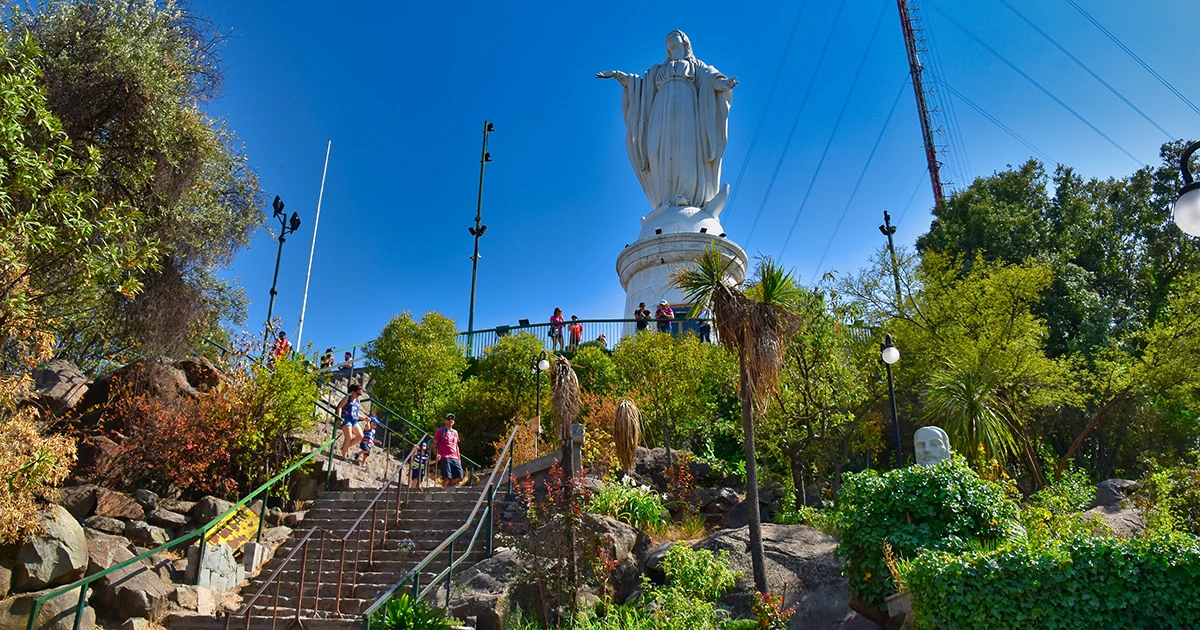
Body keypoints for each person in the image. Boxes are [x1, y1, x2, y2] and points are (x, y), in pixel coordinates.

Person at [336, 384, 367, 459]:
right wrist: (339, 418)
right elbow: (340, 407)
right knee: (349, 437)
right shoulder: (347, 398)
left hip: (354, 420)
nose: (358, 396)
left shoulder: (357, 401)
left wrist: (364, 418)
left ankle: (344, 447)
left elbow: (355, 413)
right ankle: (344, 456)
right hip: (346, 419)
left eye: (360, 394)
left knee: (360, 436)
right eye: (358, 394)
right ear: (353, 391)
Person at [433, 413, 463, 487]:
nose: (451, 420)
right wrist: (436, 454)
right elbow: (433, 443)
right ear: (445, 421)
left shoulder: (455, 432)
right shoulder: (441, 430)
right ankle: (443, 492)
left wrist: (459, 458)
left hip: (455, 457)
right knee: (447, 477)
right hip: (445, 457)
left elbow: (456, 446)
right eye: (449, 419)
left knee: (460, 476)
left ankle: (446, 487)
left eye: (452, 419)